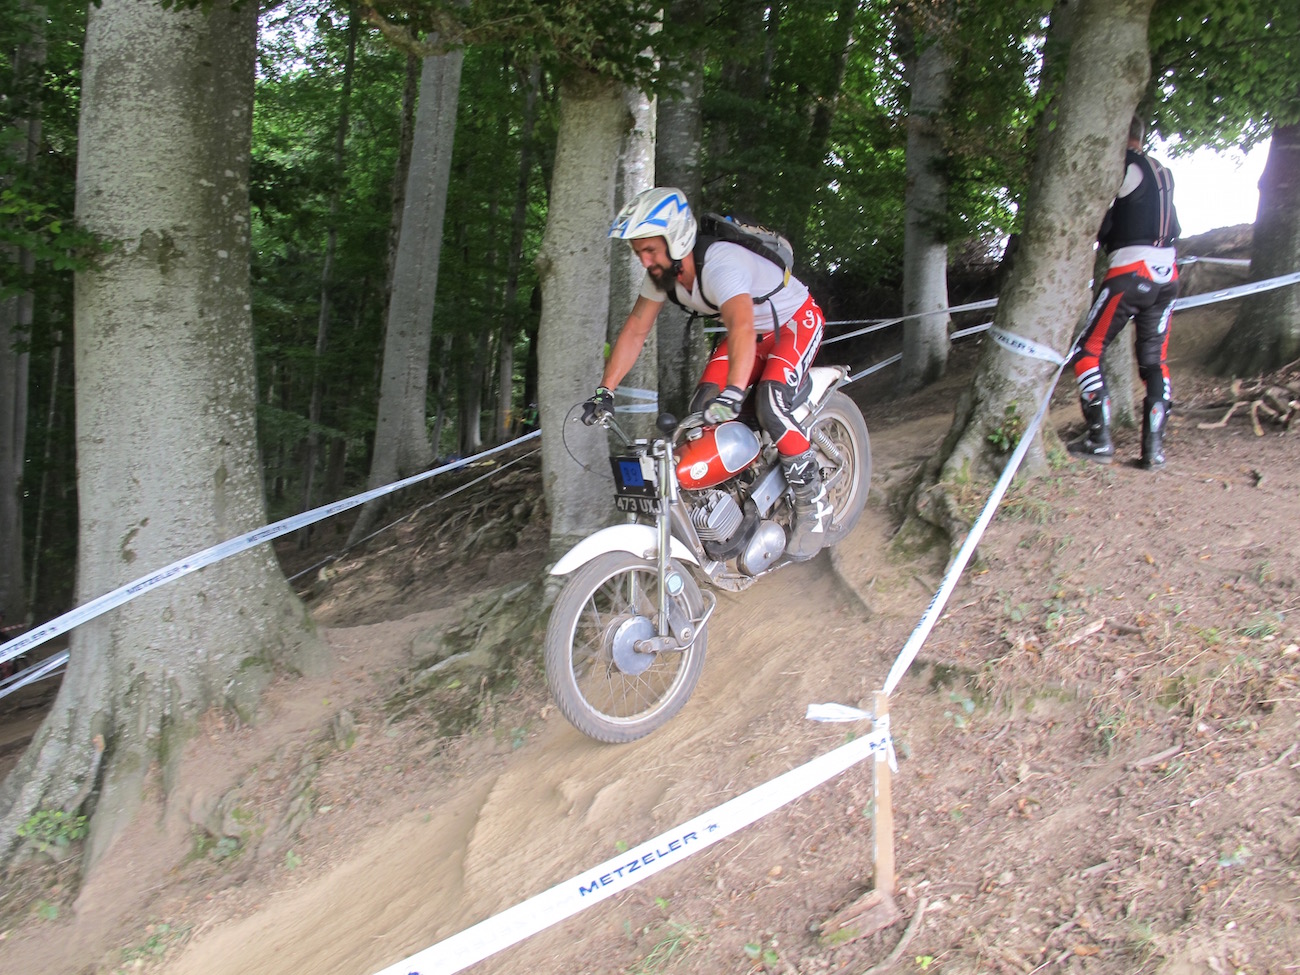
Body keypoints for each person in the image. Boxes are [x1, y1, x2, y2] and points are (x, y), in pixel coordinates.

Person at [581, 186, 829, 560]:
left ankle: (813, 504)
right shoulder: (663, 276)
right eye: (639, 253)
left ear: (676, 240)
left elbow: (742, 327)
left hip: (792, 323)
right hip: (748, 333)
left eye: (650, 250)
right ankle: (735, 503)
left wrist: (734, 391)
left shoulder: (720, 265)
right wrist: (605, 391)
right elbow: (635, 330)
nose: (645, 261)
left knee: (770, 404)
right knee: (702, 412)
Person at [1068, 116, 1181, 469]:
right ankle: (1154, 450)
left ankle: (1099, 440)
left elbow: (1097, 217)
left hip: (1131, 271)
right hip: (1168, 275)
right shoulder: (1163, 171)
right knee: (1154, 362)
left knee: (1087, 350)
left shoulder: (1122, 167)